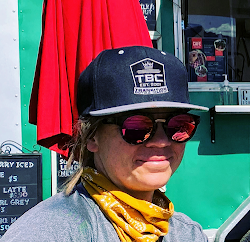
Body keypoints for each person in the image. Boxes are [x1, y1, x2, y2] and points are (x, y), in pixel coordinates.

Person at [3, 46, 209, 242]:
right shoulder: (50, 232)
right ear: (91, 136)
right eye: (136, 127)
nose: (161, 141)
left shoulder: (186, 233)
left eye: (179, 125)